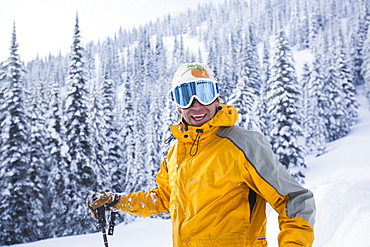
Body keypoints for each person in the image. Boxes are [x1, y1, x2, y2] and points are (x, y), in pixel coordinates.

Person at [87, 63, 315, 246]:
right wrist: (118, 201)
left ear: (216, 98)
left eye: (204, 93)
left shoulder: (242, 144)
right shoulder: (176, 151)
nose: (196, 106)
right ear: (177, 106)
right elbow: (164, 198)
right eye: (185, 97)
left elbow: (293, 199)